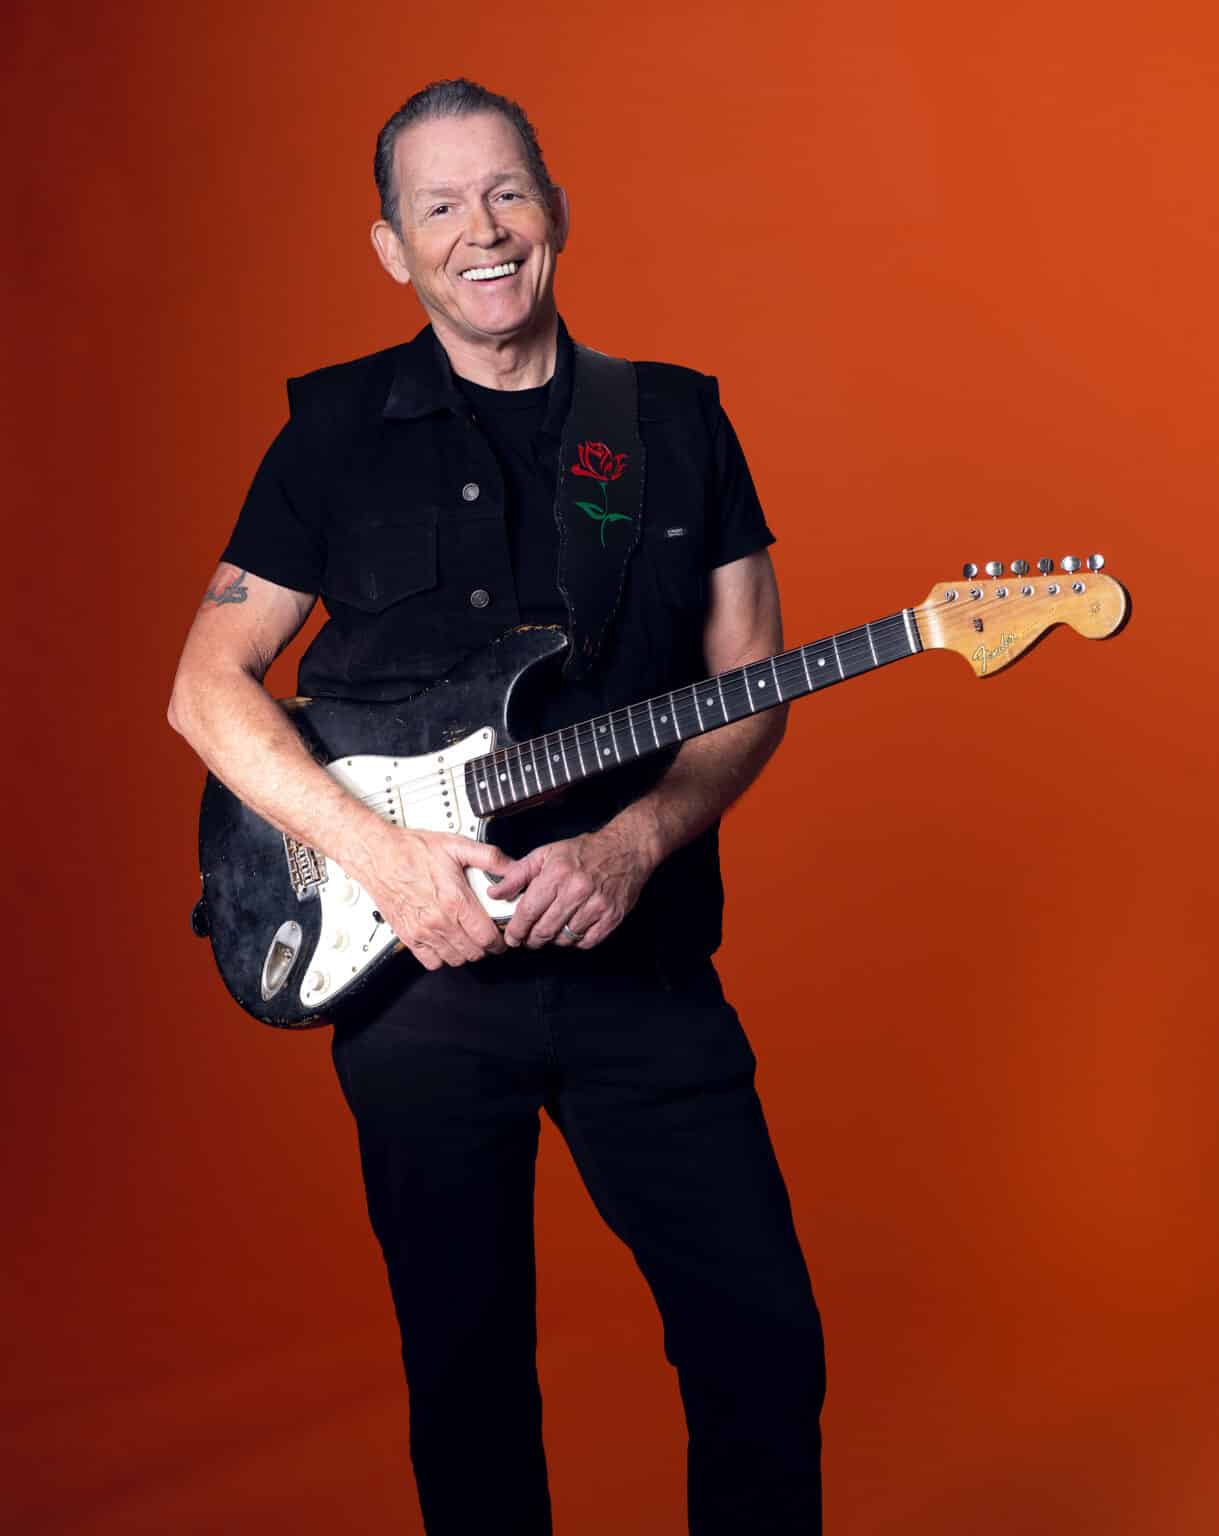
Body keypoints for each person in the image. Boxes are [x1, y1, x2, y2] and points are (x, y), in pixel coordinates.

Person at [169, 79, 825, 1535]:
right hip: (420, 984)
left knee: (763, 1348)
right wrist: (384, 861)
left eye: (508, 191)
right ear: (392, 248)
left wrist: (637, 840)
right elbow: (206, 689)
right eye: (441, 205)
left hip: (639, 962)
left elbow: (750, 686)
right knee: (467, 1384)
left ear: (556, 212)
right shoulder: (334, 432)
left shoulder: (674, 422)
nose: (483, 229)